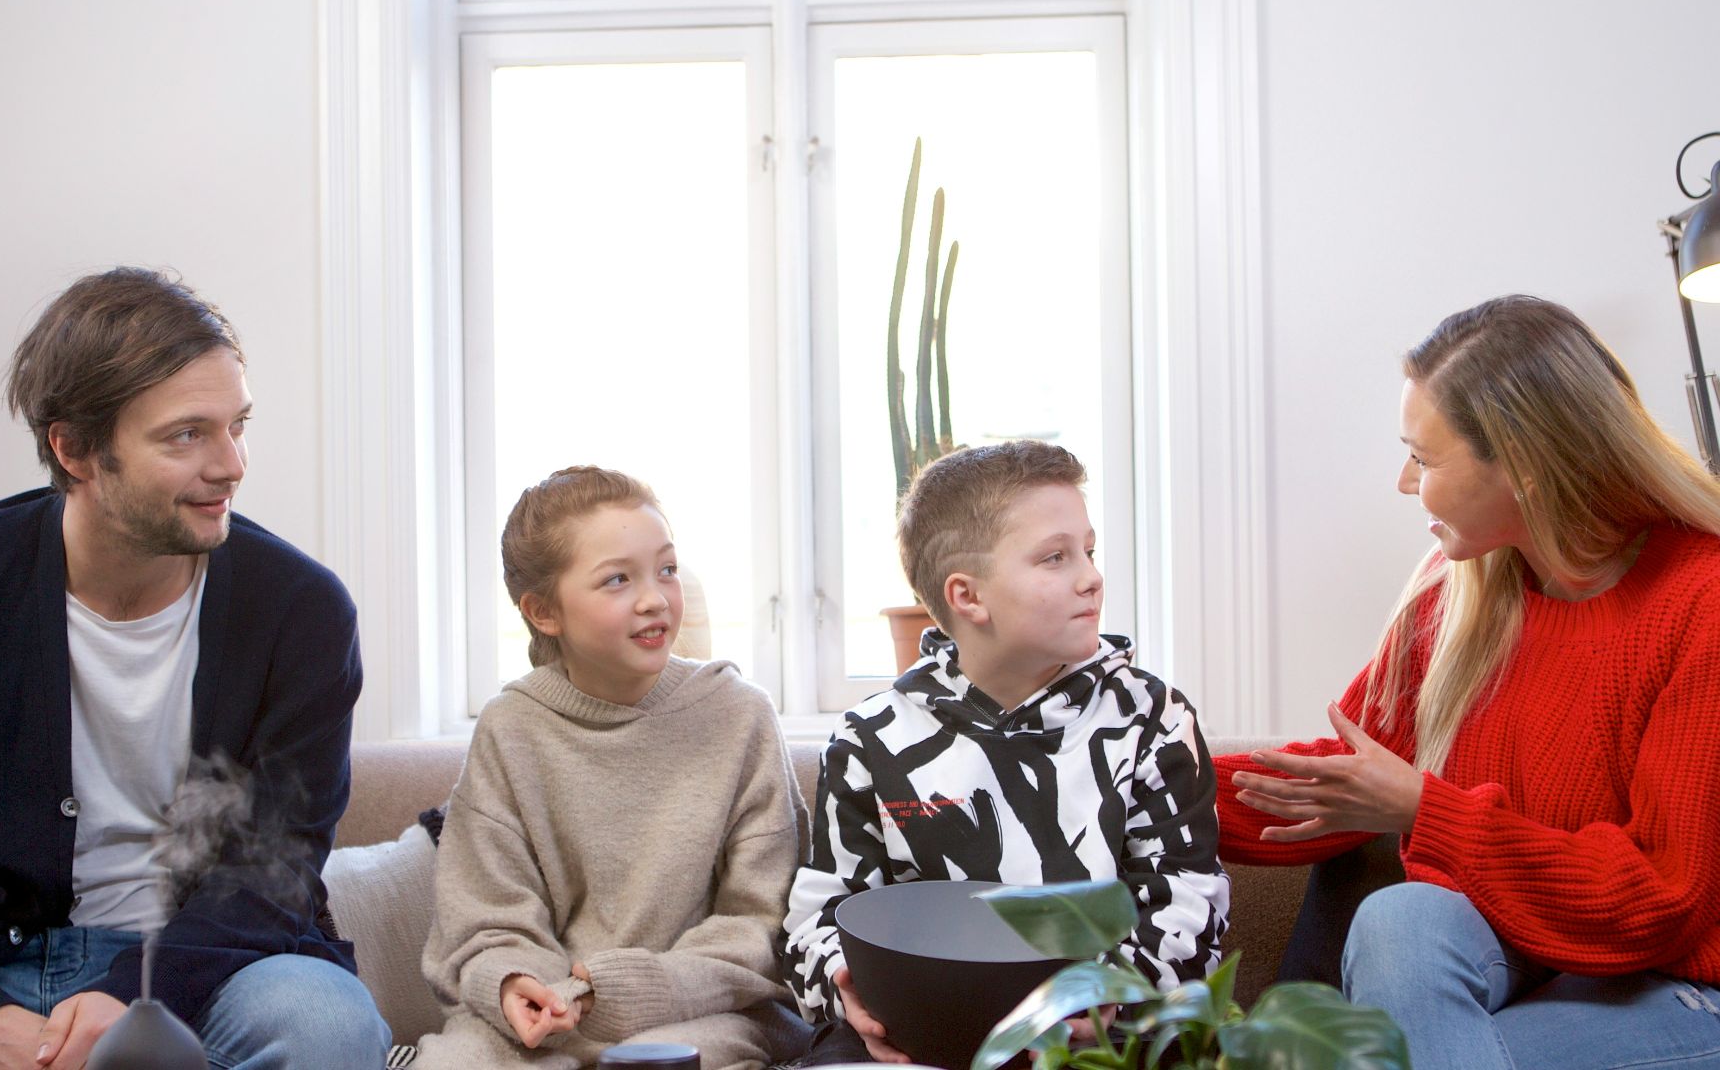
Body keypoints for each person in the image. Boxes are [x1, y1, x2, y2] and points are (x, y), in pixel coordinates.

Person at [0, 268, 391, 1069]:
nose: (232, 464)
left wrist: (133, 998)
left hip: (201, 973)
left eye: (237, 425)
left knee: (325, 1025)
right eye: (187, 435)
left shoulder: (302, 612)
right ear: (74, 448)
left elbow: (275, 869)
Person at [1217, 295, 1720, 1070]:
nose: (1403, 481)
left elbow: (1660, 900)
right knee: (1400, 917)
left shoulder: (1701, 601)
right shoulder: (1460, 592)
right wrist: (1143, 780)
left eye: (1423, 458)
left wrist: (1427, 811)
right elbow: (1341, 782)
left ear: (1523, 464)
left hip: (1679, 987)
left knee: (1404, 1055)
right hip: (1522, 960)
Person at [782, 440, 1230, 1065]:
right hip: (919, 1036)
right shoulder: (870, 738)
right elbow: (821, 914)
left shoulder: (1153, 717)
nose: (1091, 576)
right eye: (1055, 557)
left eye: (1089, 551)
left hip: (1104, 1037)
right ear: (968, 597)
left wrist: (1105, 997)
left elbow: (1187, 900)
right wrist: (844, 985)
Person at [413, 466, 810, 1070]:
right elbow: (484, 920)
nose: (655, 598)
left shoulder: (740, 715)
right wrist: (514, 983)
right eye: (618, 579)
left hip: (709, 1009)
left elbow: (764, 924)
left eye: (666, 569)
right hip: (551, 1015)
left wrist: (630, 989)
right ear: (544, 611)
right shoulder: (509, 729)